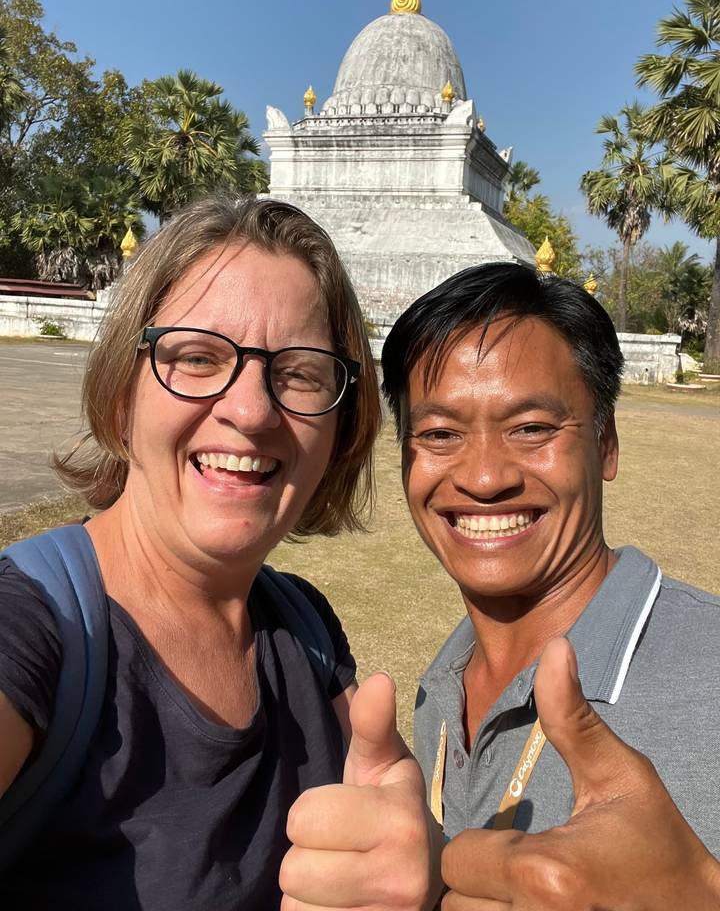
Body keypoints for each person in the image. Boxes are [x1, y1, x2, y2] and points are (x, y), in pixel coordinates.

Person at [0, 195, 441, 910]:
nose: (253, 410)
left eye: (301, 373)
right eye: (198, 357)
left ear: (338, 429)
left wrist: (414, 861)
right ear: (121, 398)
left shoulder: (305, 629)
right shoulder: (34, 629)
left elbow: (376, 827)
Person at [381, 262, 720, 909]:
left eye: (532, 428)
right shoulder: (440, 691)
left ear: (608, 443)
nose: (483, 478)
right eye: (439, 435)